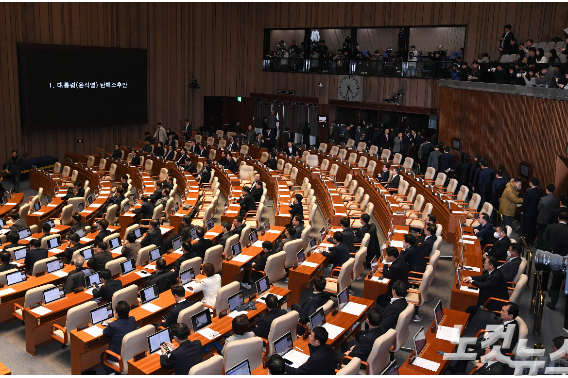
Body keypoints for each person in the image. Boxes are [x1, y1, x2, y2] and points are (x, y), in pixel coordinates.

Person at [452, 302, 519, 374]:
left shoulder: (512, 331)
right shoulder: (508, 322)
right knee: (463, 342)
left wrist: (489, 351)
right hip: (487, 342)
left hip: (490, 349)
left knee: (466, 355)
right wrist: (488, 334)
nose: (500, 312)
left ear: (510, 316)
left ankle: (459, 372)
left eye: (503, 311)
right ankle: (458, 368)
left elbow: (505, 348)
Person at [100, 300, 137, 374]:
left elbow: (105, 333)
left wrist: (112, 323)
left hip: (117, 357)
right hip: (131, 352)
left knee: (103, 355)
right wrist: (114, 323)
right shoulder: (132, 319)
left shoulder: (113, 326)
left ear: (116, 313)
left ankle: (112, 373)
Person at [536, 184, 560, 248]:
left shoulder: (543, 199)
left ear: (547, 190)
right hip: (551, 220)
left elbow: (538, 208)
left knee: (540, 232)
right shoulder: (557, 200)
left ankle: (539, 245)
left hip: (542, 218)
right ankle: (546, 245)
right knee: (548, 233)